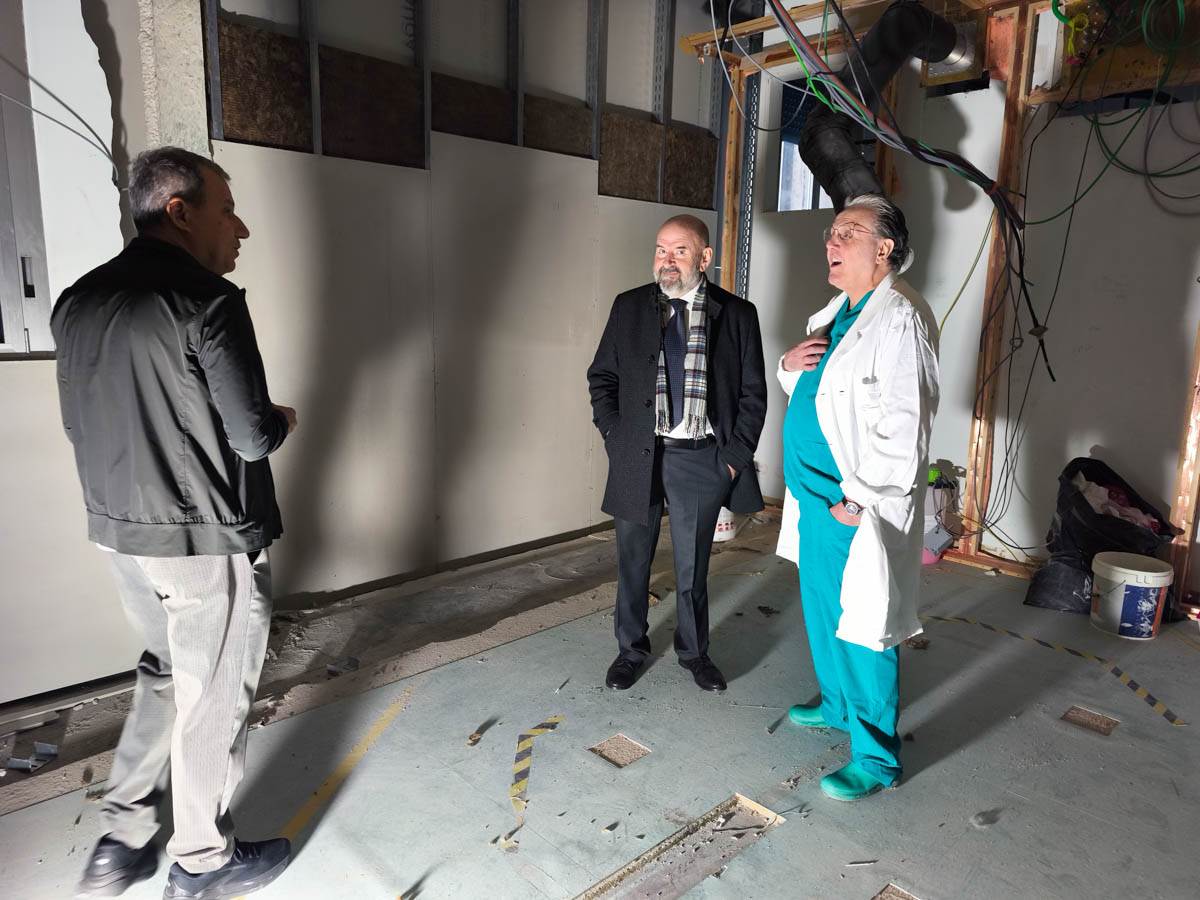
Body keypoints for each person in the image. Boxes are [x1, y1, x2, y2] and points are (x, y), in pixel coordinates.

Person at [56, 147, 296, 899]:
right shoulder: (207, 302)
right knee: (213, 693)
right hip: (200, 537)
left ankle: (122, 842)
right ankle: (203, 861)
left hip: (118, 532)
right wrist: (281, 419)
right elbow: (251, 436)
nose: (241, 228)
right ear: (180, 211)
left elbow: (84, 420)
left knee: (165, 672)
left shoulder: (78, 301)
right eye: (228, 209)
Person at [776, 194, 939, 801]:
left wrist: (857, 502)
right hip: (812, 499)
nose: (832, 242)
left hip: (854, 506)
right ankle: (837, 705)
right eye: (832, 231)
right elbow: (818, 388)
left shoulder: (901, 317)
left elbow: (905, 423)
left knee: (865, 625)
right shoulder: (836, 312)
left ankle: (876, 759)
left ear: (884, 248)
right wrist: (787, 363)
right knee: (823, 610)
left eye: (849, 232)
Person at [588, 215, 767, 693]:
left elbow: (753, 394)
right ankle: (630, 651)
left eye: (680, 251)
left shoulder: (737, 314)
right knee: (632, 563)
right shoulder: (629, 307)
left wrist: (732, 459)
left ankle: (694, 653)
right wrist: (614, 434)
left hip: (702, 458)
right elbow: (602, 377)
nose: (667, 260)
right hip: (638, 455)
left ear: (704, 257)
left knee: (692, 568)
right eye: (661, 250)